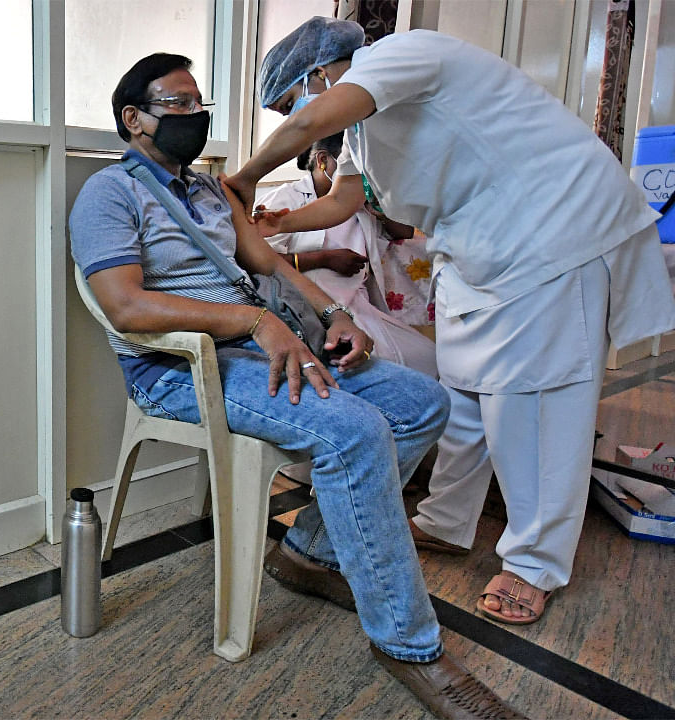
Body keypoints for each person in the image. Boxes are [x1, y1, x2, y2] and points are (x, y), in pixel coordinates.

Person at [70, 53, 521, 720]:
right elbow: (127, 309)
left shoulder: (211, 190)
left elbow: (266, 262)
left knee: (424, 404)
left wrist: (335, 314)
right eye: (179, 105)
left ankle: (308, 549)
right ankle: (409, 646)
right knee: (357, 432)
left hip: (261, 347)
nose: (196, 117)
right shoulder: (109, 194)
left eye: (201, 104)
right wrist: (253, 322)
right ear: (134, 119)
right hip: (181, 370)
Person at [227, 17, 675, 626]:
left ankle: (534, 563)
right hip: (477, 249)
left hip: (550, 233)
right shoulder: (361, 128)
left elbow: (311, 121)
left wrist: (244, 176)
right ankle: (446, 521)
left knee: (534, 409)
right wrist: (278, 225)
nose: (295, 117)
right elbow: (344, 201)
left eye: (291, 100)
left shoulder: (406, 55)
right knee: (459, 397)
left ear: (320, 71)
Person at [255, 132, 436, 376]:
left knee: (426, 357)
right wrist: (324, 259)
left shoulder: (359, 205)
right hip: (311, 308)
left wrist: (380, 206)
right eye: (352, 168)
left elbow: (401, 233)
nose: (358, 177)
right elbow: (258, 262)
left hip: (359, 306)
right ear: (322, 160)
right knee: (373, 367)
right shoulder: (286, 199)